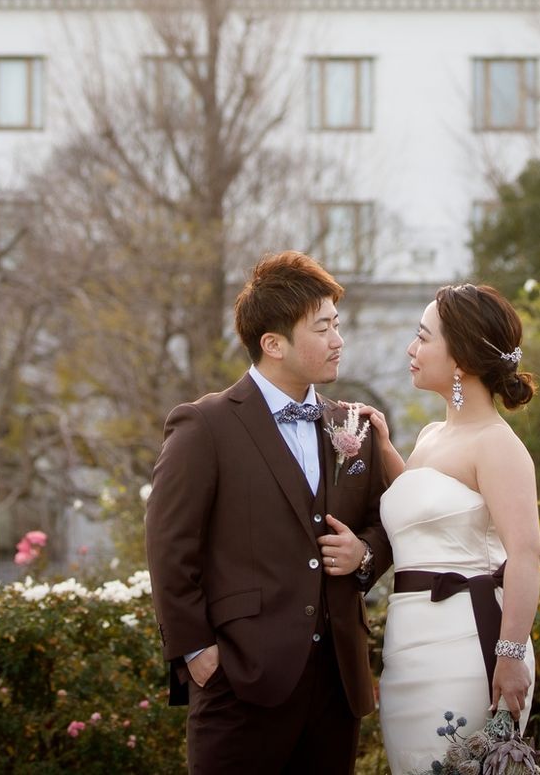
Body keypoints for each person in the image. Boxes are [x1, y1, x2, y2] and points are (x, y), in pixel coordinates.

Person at [145, 250, 393, 775]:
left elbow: (388, 521)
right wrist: (197, 653)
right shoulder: (204, 426)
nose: (338, 340)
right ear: (273, 344)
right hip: (239, 682)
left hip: (336, 685)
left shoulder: (353, 426)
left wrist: (364, 554)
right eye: (323, 327)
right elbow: (170, 547)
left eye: (337, 324)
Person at [357, 282, 540, 775]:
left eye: (422, 337)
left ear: (459, 358)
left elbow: (526, 555)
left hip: (467, 645)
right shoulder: (432, 435)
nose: (410, 349)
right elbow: (427, 513)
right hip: (409, 645)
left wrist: (509, 656)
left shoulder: (497, 445)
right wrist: (384, 449)